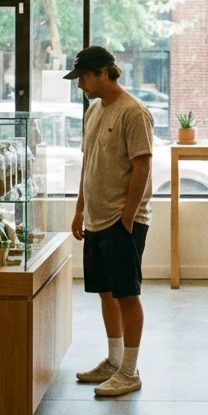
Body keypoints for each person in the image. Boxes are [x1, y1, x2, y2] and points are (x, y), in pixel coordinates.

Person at [67, 46, 155, 397]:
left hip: (122, 221)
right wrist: (79, 209)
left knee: (127, 294)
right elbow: (89, 165)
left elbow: (143, 165)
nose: (80, 86)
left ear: (104, 72)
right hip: (95, 219)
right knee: (105, 292)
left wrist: (129, 215)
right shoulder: (92, 112)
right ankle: (114, 360)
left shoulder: (133, 113)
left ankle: (130, 371)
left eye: (84, 78)